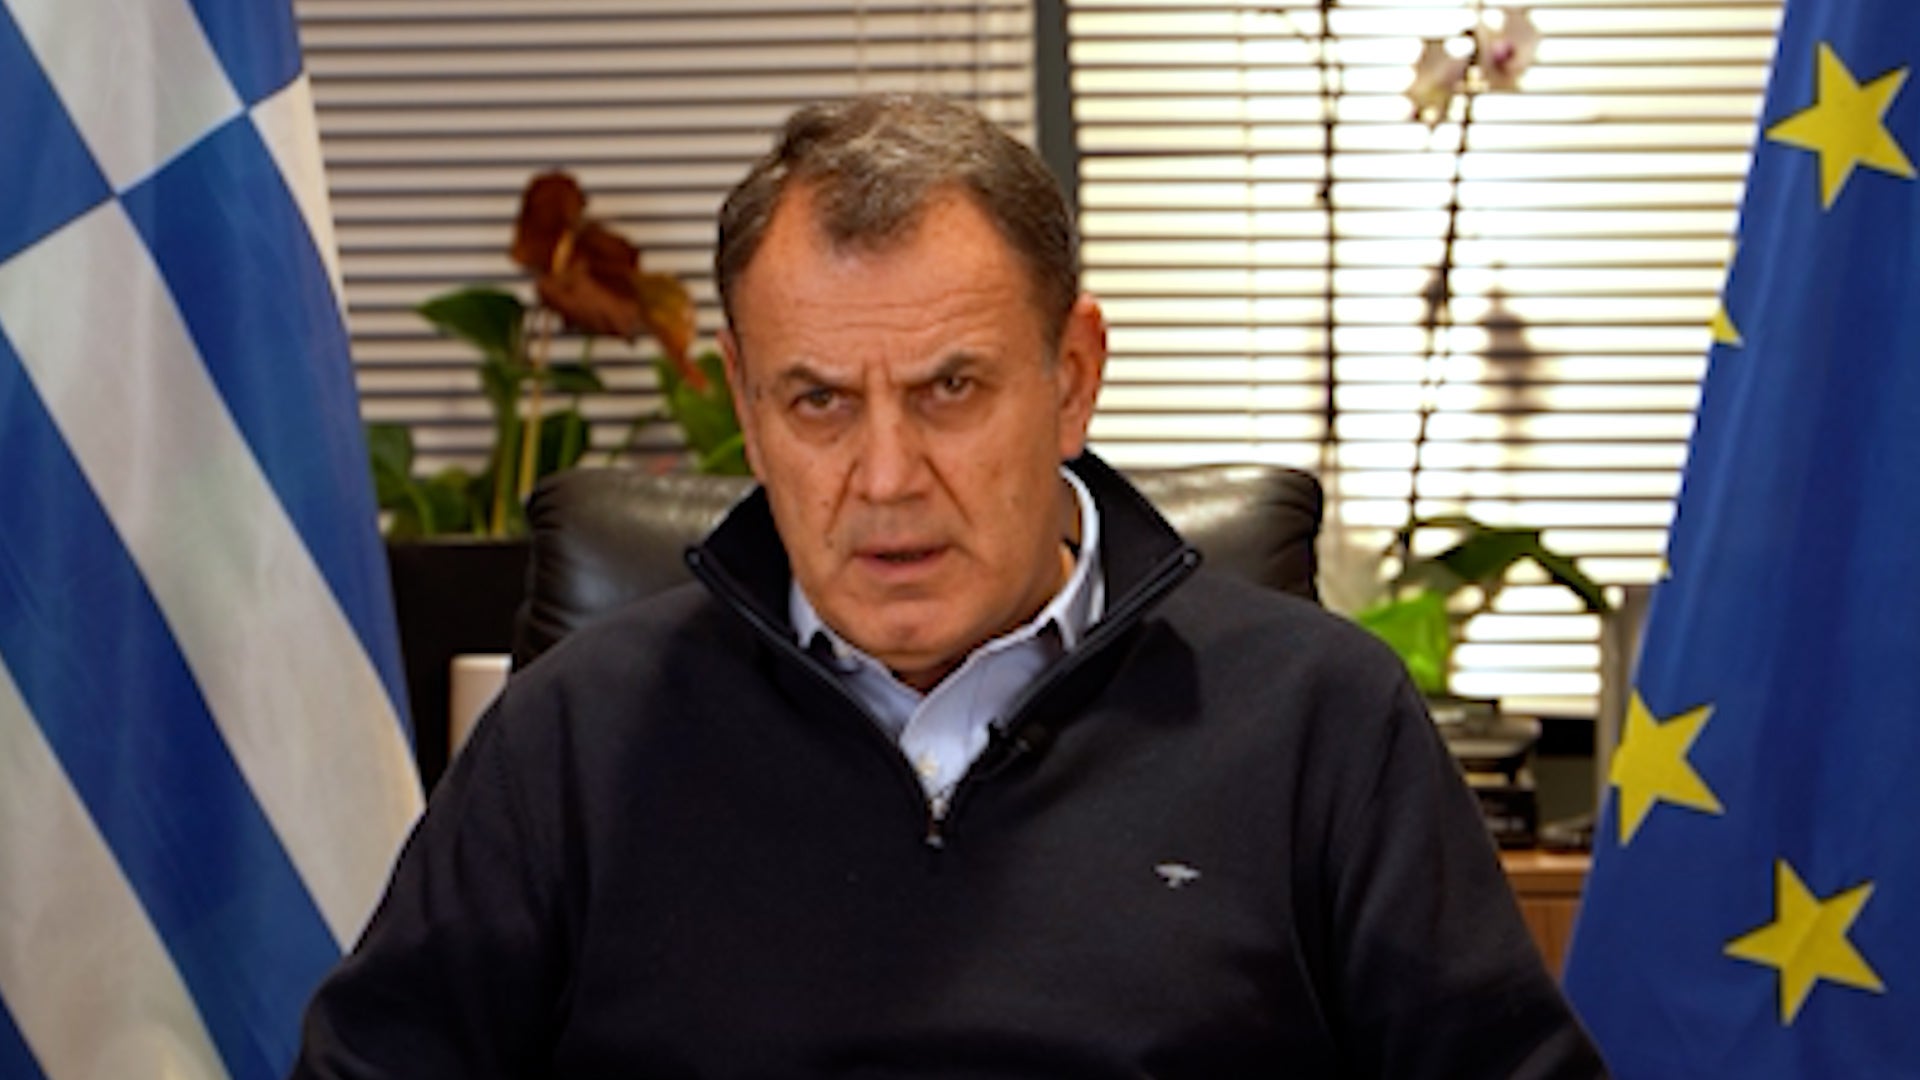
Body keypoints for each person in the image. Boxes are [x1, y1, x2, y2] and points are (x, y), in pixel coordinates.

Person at [291, 94, 1605, 1078]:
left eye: (951, 389)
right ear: (745, 404)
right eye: (817, 401)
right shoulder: (576, 737)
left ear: (1072, 378)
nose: (885, 477)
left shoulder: (1320, 719)